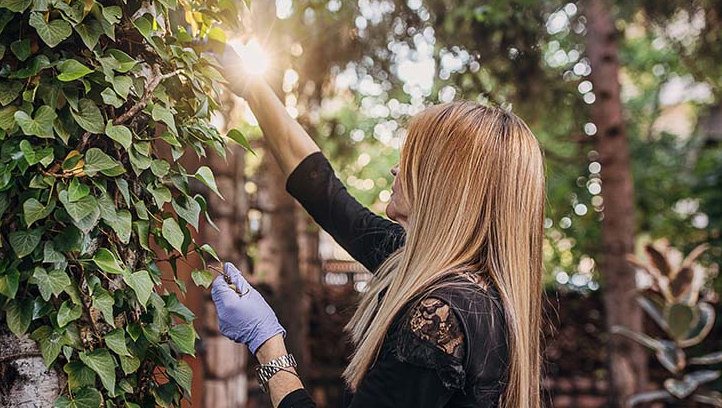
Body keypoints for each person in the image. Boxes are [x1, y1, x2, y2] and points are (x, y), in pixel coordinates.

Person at [208, 45, 546, 408]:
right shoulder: (433, 269)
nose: (395, 170)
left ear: (443, 185)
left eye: (412, 161)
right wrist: (251, 86)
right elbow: (324, 193)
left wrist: (266, 341)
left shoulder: (441, 314)